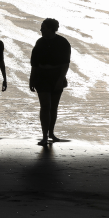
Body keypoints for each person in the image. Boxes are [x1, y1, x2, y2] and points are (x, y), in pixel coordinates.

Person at [29, 18, 71, 146]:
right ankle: (44, 136)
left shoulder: (63, 42)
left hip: (56, 77)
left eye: (43, 27)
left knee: (53, 107)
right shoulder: (40, 42)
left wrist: (60, 80)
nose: (41, 29)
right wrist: (31, 79)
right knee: (45, 106)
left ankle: (51, 133)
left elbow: (65, 64)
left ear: (51, 29)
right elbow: (34, 63)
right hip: (41, 77)